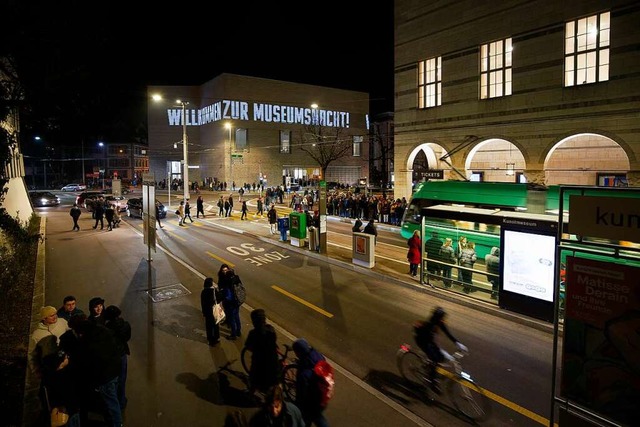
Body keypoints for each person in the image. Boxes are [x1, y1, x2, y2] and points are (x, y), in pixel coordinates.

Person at [414, 307, 467, 394]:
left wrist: (458, 343)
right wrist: (439, 351)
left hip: (429, 341)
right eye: (442, 317)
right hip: (422, 341)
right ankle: (432, 382)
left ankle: (429, 368)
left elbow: (448, 333)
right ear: (437, 317)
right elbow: (430, 342)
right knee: (435, 359)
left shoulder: (438, 322)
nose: (443, 319)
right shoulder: (429, 325)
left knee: (440, 357)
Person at [292, 338, 329, 427]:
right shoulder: (317, 355)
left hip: (312, 402)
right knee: (318, 417)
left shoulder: (304, 373)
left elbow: (301, 392)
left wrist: (298, 405)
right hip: (323, 395)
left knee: (308, 419)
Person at [244, 309, 280, 397]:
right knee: (272, 380)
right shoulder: (271, 329)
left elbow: (248, 345)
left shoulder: (253, 333)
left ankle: (251, 393)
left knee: (254, 377)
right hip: (273, 360)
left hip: (259, 362)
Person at [104, 305, 131, 411]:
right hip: (122, 354)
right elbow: (127, 337)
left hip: (113, 357)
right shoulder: (125, 325)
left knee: (114, 380)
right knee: (122, 378)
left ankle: (115, 402)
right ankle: (122, 400)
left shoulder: (107, 329)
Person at [30, 306, 70, 378]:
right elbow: (32, 354)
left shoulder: (62, 322)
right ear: (44, 318)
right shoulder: (37, 335)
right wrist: (36, 370)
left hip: (68, 360)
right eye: (52, 316)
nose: (55, 317)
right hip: (53, 367)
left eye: (55, 314)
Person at [218, 264, 242, 339]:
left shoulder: (228, 283)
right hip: (237, 301)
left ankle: (233, 334)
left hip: (230, 304)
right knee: (237, 317)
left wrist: (223, 301)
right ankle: (238, 331)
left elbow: (228, 296)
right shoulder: (236, 279)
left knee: (232, 319)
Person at [200, 277, 223, 346]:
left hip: (207, 311)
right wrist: (217, 289)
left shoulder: (203, 292)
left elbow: (203, 303)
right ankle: (216, 337)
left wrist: (204, 312)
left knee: (209, 326)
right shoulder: (214, 291)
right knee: (215, 325)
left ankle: (211, 340)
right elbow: (219, 299)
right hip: (214, 310)